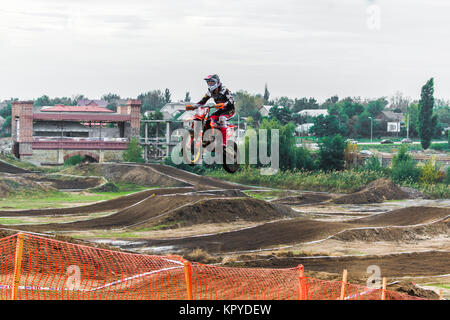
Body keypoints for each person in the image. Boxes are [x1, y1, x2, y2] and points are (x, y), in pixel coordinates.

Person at [196, 74, 235, 146]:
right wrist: (194, 106)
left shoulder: (224, 90)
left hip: (229, 110)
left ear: (217, 82)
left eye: (212, 83)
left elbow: (232, 100)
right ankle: (208, 139)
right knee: (209, 119)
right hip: (221, 110)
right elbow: (202, 101)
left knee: (222, 118)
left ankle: (224, 143)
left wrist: (225, 104)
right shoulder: (210, 92)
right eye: (209, 83)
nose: (210, 85)